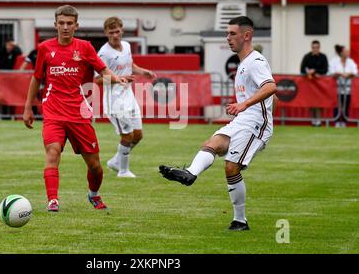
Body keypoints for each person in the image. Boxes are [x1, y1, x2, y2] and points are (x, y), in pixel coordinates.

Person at [159, 16, 278, 231]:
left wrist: (245, 105)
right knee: (212, 144)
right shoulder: (244, 63)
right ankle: (191, 174)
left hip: (255, 124)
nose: (228, 38)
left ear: (247, 35)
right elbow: (269, 94)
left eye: (232, 33)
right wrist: (249, 106)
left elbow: (271, 87)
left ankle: (240, 221)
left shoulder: (255, 61)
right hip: (243, 120)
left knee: (231, 167)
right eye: (227, 33)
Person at [23, 5, 127, 212]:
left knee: (95, 166)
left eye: (69, 23)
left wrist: (116, 78)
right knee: (52, 153)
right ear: (55, 25)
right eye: (61, 23)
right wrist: (28, 108)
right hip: (53, 111)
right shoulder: (45, 48)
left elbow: (103, 70)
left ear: (76, 26)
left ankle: (93, 194)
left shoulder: (85, 48)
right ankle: (53, 200)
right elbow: (36, 79)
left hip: (79, 113)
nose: (65, 27)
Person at [95, 16, 156, 178]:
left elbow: (130, 65)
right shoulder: (103, 53)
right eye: (111, 32)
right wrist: (117, 79)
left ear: (122, 30)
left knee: (138, 135)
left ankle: (116, 161)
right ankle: (123, 171)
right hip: (115, 102)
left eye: (117, 31)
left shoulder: (127, 46)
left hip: (129, 97)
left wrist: (144, 72)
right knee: (127, 136)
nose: (115, 35)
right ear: (106, 33)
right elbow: (97, 80)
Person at [0, 37, 22, 120]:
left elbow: (20, 51)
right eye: (10, 44)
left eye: (12, 45)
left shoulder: (14, 52)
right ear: (6, 44)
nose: (11, 46)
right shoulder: (0, 52)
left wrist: (15, 45)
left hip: (8, 78)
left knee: (2, 96)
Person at [300, 40, 328, 126]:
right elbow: (302, 69)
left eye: (317, 47)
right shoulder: (307, 57)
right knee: (311, 102)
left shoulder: (323, 57)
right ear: (311, 48)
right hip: (309, 84)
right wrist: (308, 72)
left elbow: (325, 69)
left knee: (319, 102)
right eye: (313, 47)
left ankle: (319, 120)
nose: (315, 49)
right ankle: (313, 120)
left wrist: (315, 71)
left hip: (320, 84)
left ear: (319, 48)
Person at [329, 45, 358, 127]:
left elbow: (355, 71)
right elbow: (331, 72)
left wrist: (349, 74)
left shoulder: (351, 61)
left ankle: (344, 121)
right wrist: (340, 74)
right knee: (337, 104)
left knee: (346, 104)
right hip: (336, 87)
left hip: (348, 88)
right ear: (341, 53)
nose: (348, 53)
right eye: (346, 51)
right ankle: (336, 121)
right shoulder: (334, 61)